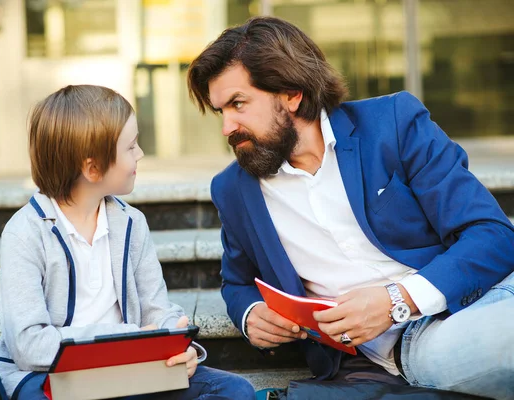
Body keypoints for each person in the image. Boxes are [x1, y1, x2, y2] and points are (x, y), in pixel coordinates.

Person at [186, 16, 514, 399]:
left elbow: (491, 235)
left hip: (477, 296)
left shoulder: (392, 123)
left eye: (238, 104)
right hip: (413, 345)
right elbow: (238, 282)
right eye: (220, 111)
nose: (227, 127)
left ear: (292, 94)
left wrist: (397, 300)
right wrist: (250, 315)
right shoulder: (234, 189)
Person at [0, 85, 256, 400]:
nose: (140, 154)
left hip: (129, 371)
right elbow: (29, 346)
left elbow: (156, 310)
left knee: (234, 391)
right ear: (93, 168)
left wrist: (178, 344)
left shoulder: (131, 223)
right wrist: (124, 340)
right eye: (130, 147)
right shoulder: (26, 232)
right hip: (48, 376)